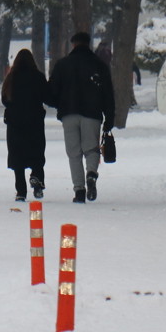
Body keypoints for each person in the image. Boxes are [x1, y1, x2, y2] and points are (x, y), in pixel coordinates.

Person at [47, 31, 115, 203]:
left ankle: (79, 190)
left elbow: (52, 92)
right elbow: (108, 94)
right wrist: (109, 118)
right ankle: (91, 173)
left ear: (73, 45)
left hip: (69, 113)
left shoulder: (62, 65)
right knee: (91, 149)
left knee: (74, 153)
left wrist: (59, 104)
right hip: (92, 114)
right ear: (89, 44)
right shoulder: (99, 65)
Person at [1, 48, 48, 202]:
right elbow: (47, 96)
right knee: (36, 153)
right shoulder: (38, 77)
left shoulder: (11, 78)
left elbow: (5, 100)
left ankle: (21, 191)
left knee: (17, 157)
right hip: (34, 122)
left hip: (15, 123)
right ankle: (38, 181)